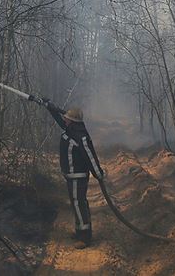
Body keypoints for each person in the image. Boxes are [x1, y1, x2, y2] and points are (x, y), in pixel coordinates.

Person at [41, 100, 104, 249]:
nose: (64, 119)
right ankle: (80, 231)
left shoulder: (80, 136)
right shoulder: (71, 129)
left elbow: (90, 156)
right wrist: (49, 106)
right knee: (77, 203)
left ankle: (85, 237)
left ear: (72, 120)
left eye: (67, 118)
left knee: (79, 203)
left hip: (78, 176)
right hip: (71, 175)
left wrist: (98, 173)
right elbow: (59, 118)